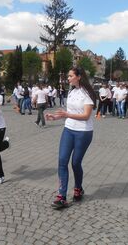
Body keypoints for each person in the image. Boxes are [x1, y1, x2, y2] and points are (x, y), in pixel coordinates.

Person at [45, 67, 96, 209]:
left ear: (79, 77)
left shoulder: (87, 93)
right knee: (62, 161)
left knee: (75, 163)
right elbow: (70, 113)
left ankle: (78, 188)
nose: (68, 78)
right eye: (68, 76)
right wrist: (55, 117)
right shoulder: (72, 92)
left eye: (70, 76)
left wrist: (66, 114)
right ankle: (61, 196)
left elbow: (86, 115)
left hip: (83, 132)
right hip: (68, 129)